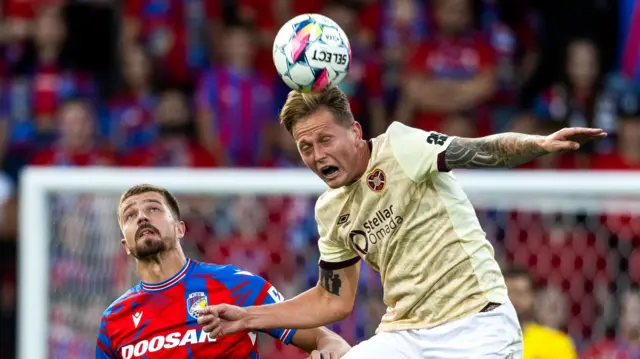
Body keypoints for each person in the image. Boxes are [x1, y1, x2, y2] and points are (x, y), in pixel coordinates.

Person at [197, 87, 606, 358]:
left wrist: (539, 144)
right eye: (305, 147)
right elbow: (332, 299)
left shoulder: (400, 147)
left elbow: (477, 151)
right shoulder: (330, 210)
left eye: (325, 140)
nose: (317, 155)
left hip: (476, 325)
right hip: (405, 336)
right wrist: (248, 317)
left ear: (355, 132)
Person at [96, 184, 351, 359]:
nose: (141, 217)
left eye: (153, 209)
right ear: (125, 246)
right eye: (130, 215)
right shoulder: (113, 321)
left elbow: (327, 340)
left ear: (180, 229)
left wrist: (328, 350)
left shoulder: (235, 286)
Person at [504, 267, 578, 359]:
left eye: (520, 294)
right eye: (508, 293)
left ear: (532, 297)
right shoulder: (486, 339)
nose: (513, 300)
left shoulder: (556, 343)